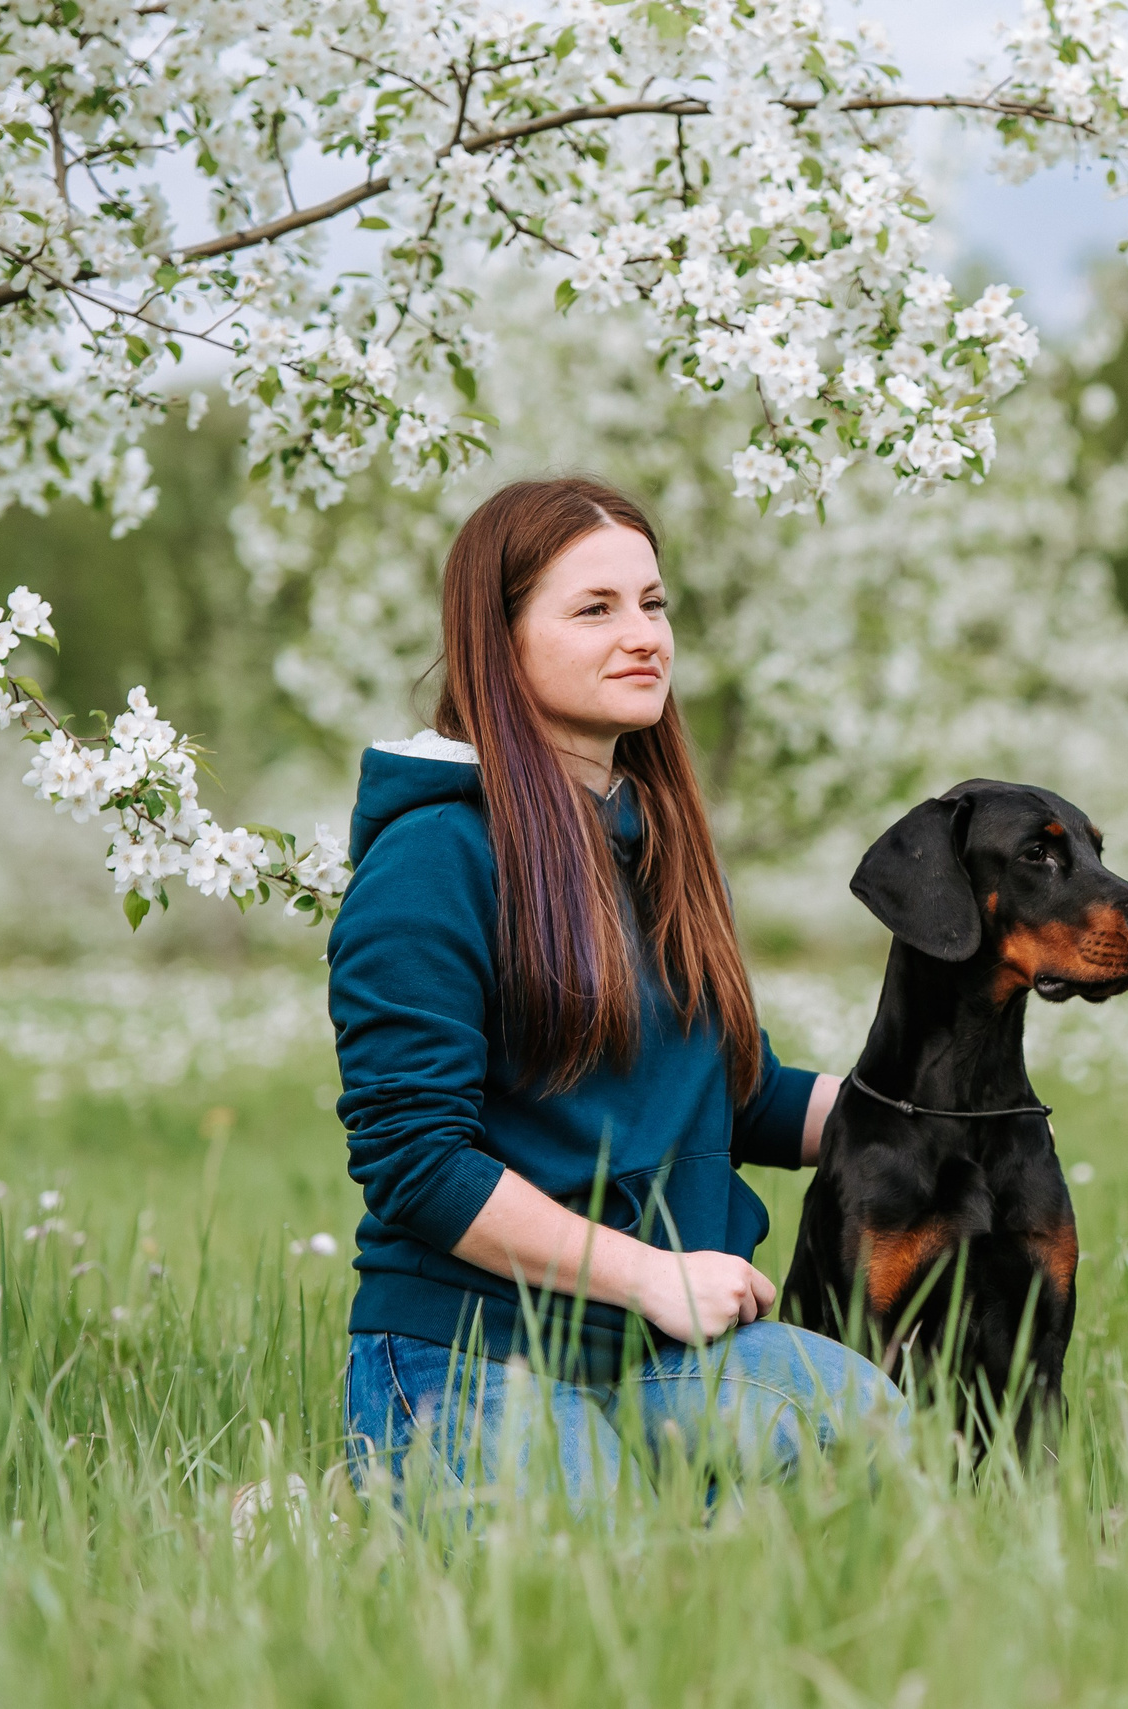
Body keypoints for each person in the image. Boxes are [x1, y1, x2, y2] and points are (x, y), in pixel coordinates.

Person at [332, 476, 901, 1503]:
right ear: (497, 643)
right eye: (594, 608)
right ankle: (336, 1503)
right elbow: (415, 1160)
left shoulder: (660, 841)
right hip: (470, 1344)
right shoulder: (433, 856)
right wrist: (653, 1273)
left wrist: (933, 1118)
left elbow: (735, 1091)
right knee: (588, 1580)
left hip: (656, 1349)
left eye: (652, 602)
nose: (642, 634)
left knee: (875, 1444)